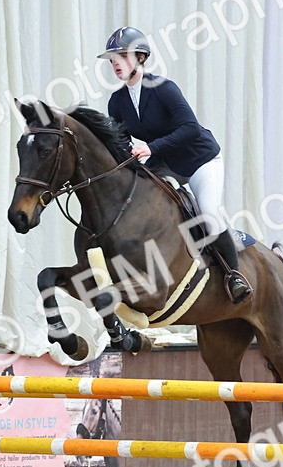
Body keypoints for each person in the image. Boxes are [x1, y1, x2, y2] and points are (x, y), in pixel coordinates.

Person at [100, 26, 252, 304]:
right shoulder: (117, 102)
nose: (116, 63)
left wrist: (150, 148)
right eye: (113, 59)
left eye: (122, 56)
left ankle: (235, 275)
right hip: (166, 162)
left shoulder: (163, 89)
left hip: (199, 159)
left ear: (141, 58)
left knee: (208, 212)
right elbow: (121, 145)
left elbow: (190, 128)